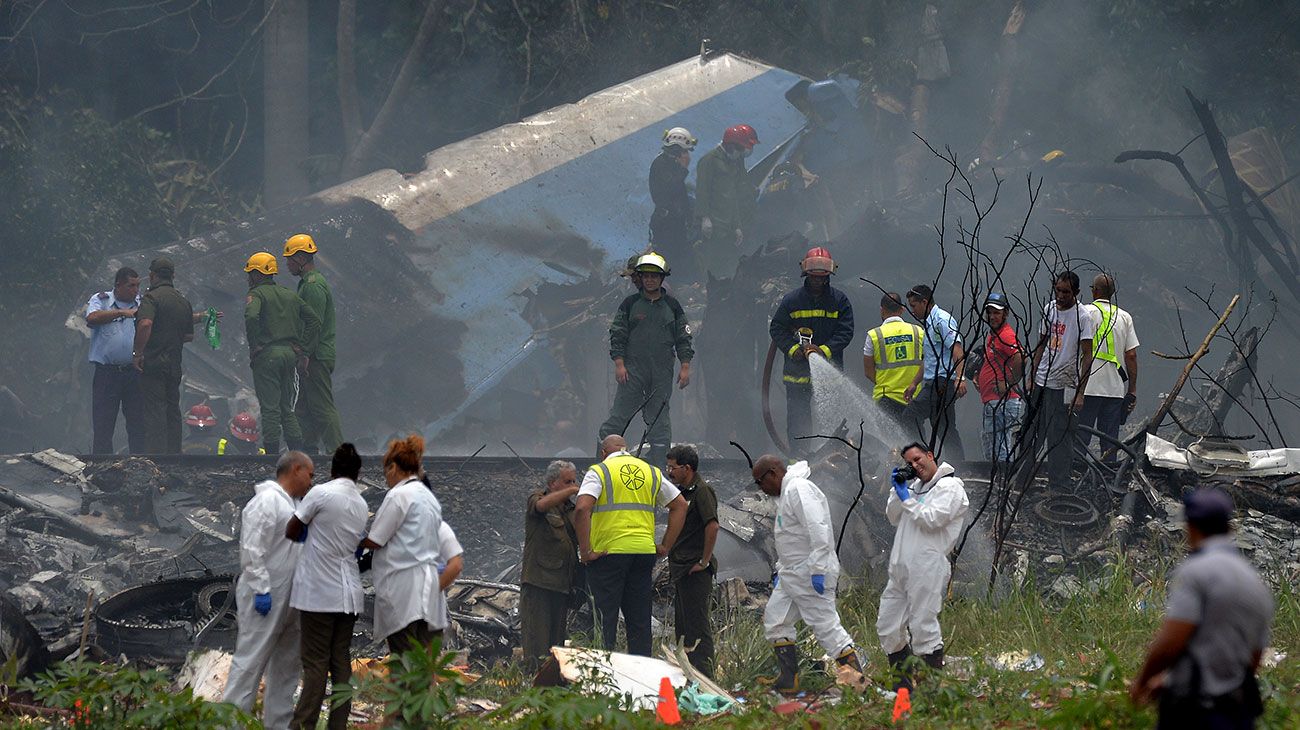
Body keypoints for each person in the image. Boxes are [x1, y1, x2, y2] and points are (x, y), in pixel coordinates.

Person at [1130, 488, 1274, 729]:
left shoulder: (1196, 571)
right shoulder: (1254, 580)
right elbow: (1254, 655)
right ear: (1230, 529)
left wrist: (1142, 681)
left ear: (1190, 528)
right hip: (1237, 710)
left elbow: (1172, 641)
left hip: (1195, 711)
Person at [751, 454, 861, 693]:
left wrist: (819, 569)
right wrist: (781, 570)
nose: (760, 487)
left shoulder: (799, 490)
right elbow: (791, 539)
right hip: (792, 575)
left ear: (773, 473)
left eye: (760, 481)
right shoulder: (787, 494)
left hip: (810, 572)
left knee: (825, 627)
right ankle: (789, 681)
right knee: (776, 620)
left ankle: (857, 683)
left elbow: (818, 529)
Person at [222, 451, 312, 729]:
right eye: (309, 474)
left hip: (291, 596)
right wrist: (261, 588)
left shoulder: (294, 505)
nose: (311, 481)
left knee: (286, 668)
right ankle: (230, 723)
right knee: (250, 662)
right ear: (295, 469)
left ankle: (278, 724)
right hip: (267, 596)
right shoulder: (266, 501)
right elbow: (252, 550)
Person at [573, 434, 686, 656]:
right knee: (639, 620)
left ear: (603, 453)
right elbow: (680, 505)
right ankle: (640, 675)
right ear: (626, 450)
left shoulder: (600, 471)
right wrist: (665, 546)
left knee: (603, 620)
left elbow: (581, 508)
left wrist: (585, 552)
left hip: (608, 554)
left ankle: (602, 675)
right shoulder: (650, 471)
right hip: (643, 553)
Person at [285, 443, 368, 730]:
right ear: (357, 474)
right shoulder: (361, 503)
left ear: (332, 469)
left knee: (316, 664)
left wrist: (308, 537)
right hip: (349, 595)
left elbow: (291, 529)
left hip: (319, 593)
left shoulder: (320, 493)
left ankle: (302, 725)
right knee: (340, 663)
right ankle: (338, 726)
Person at [878, 443, 969, 690]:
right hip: (900, 569)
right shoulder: (915, 487)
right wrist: (897, 490)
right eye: (910, 464)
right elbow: (893, 516)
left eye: (918, 460)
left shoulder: (950, 487)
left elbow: (932, 519)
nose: (915, 466)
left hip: (927, 566)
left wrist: (907, 498)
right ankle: (904, 690)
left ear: (930, 456)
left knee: (923, 629)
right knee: (888, 628)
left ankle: (931, 693)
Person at [596, 253, 693, 466]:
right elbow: (618, 334)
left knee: (659, 420)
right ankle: (603, 465)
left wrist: (685, 366)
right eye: (645, 276)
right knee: (619, 416)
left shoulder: (672, 306)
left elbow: (683, 337)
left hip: (661, 371)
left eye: (654, 276)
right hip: (633, 370)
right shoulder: (630, 304)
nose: (649, 280)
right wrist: (619, 364)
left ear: (661, 279)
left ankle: (660, 469)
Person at [361, 434, 446, 654]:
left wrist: (352, 543)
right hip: (430, 589)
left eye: (385, 471)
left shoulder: (398, 496)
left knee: (405, 657)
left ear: (394, 468)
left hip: (404, 589)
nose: (386, 478)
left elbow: (376, 540)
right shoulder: (428, 497)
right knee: (425, 661)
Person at [768, 247, 855, 450]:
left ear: (829, 275)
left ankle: (834, 459)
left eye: (822, 277)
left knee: (834, 420)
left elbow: (845, 333)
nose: (818, 281)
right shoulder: (791, 301)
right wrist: (793, 350)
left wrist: (822, 350)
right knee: (798, 420)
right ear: (805, 273)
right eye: (814, 276)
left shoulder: (839, 301)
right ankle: (799, 459)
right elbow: (777, 328)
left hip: (829, 375)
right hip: (797, 374)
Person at [1024, 271, 1096, 492]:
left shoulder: (1082, 317)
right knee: (1030, 431)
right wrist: (1032, 376)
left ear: (1076, 292)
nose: (1061, 295)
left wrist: (1080, 392)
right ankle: (1022, 478)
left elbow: (1087, 356)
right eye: (1058, 290)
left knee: (1060, 437)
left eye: (1066, 292)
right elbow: (1041, 344)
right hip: (1042, 380)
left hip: (1064, 384)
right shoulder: (1050, 309)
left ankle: (1059, 486)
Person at [243, 252, 321, 454]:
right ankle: (297, 453)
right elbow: (313, 320)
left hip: (268, 355)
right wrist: (302, 347)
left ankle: (271, 456)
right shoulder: (289, 294)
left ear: (258, 275)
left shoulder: (257, 294)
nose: (249, 278)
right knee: (287, 409)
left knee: (270, 408)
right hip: (290, 355)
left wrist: (254, 346)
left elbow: (252, 317)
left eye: (251, 273)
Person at [284, 234, 344, 454]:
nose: (287, 263)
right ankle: (308, 450)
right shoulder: (307, 285)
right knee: (304, 408)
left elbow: (314, 323)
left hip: (316, 356)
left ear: (301, 258)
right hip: (312, 354)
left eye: (290, 258)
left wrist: (305, 353)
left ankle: (337, 454)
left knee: (322, 408)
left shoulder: (312, 286)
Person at [665, 444, 719, 677]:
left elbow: (713, 526)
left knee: (697, 626)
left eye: (673, 467)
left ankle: (706, 677)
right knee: (684, 627)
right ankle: (689, 675)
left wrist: (704, 561)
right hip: (682, 569)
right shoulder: (681, 494)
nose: (670, 472)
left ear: (687, 468)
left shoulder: (702, 492)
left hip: (695, 569)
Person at [520, 460, 580, 669]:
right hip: (540, 581)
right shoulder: (539, 498)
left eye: (574, 480)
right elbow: (540, 507)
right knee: (537, 638)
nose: (573, 485)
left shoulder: (573, 509)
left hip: (563, 583)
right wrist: (572, 490)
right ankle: (534, 680)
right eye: (567, 481)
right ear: (553, 483)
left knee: (556, 641)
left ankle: (552, 681)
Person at [132, 257, 194, 454]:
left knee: (155, 412)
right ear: (173, 276)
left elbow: (145, 324)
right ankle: (174, 455)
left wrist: (138, 353)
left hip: (153, 363)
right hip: (174, 365)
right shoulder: (183, 301)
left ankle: (157, 458)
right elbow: (189, 335)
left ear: (152, 275)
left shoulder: (151, 299)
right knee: (172, 410)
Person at [902, 285, 966, 463]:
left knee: (910, 416)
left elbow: (957, 349)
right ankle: (957, 465)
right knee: (944, 428)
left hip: (942, 382)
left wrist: (960, 377)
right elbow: (929, 359)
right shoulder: (929, 324)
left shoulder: (941, 320)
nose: (912, 311)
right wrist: (914, 383)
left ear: (925, 302)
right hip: (933, 381)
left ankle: (921, 458)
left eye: (914, 306)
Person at [85, 267, 145, 454]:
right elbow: (92, 318)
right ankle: (102, 465)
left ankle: (140, 462)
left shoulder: (142, 303)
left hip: (134, 371)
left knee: (137, 423)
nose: (135, 290)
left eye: (137, 285)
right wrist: (121, 313)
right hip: (107, 373)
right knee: (103, 423)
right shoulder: (101, 300)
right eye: (130, 285)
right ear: (118, 285)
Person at [1080, 274, 1139, 464]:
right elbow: (1131, 355)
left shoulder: (1084, 312)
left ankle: (1074, 476)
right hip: (1114, 389)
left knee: (1080, 437)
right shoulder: (1125, 317)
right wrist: (1132, 389)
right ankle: (1109, 478)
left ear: (1094, 290)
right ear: (1113, 293)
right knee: (1109, 441)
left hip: (1087, 387)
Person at [694, 124, 758, 282]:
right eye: (740, 148)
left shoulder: (733, 163)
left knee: (728, 262)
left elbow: (733, 197)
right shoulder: (709, 161)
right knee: (712, 262)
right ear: (731, 146)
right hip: (715, 222)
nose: (742, 153)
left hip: (728, 223)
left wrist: (737, 225)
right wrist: (704, 218)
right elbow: (702, 190)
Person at [974, 292, 1025, 464]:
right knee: (992, 449)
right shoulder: (994, 334)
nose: (992, 316)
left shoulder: (1005, 335)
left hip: (1003, 402)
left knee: (1000, 450)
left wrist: (1009, 383)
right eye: (990, 312)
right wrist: (978, 377)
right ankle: (998, 483)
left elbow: (1019, 357)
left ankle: (1002, 485)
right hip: (994, 401)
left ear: (1006, 313)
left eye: (997, 312)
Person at [863, 292, 924, 431]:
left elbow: (868, 372)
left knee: (888, 447)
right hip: (913, 399)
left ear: (882, 310)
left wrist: (886, 382)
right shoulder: (918, 331)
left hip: (886, 399)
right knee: (917, 445)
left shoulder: (874, 335)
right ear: (902, 309)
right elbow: (927, 362)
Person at [649, 127, 696, 268]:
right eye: (684, 151)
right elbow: (668, 191)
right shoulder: (660, 164)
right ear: (677, 150)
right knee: (669, 260)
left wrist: (689, 217)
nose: (686, 155)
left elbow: (680, 195)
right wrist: (683, 168)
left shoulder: (672, 166)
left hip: (677, 224)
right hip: (666, 226)